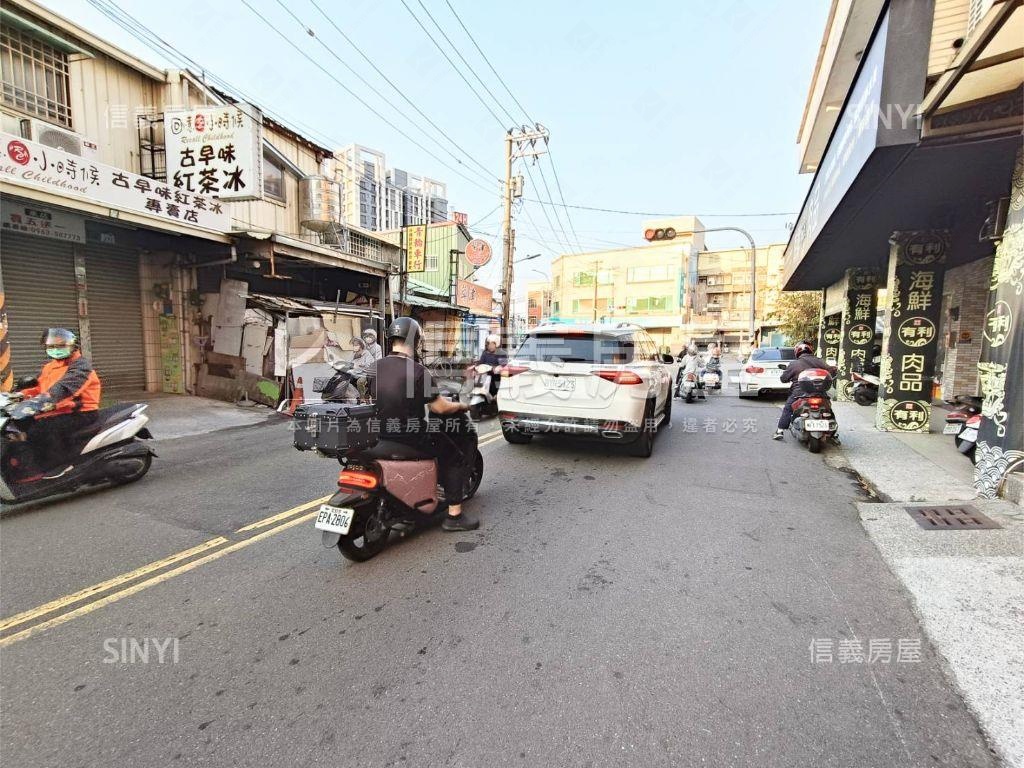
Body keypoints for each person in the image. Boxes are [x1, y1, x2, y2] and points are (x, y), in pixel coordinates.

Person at [372, 316, 479, 531]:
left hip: (378, 434)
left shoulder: (374, 367)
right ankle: (454, 516)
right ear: (416, 341)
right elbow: (439, 408)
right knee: (454, 456)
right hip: (411, 437)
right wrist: (462, 406)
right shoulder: (419, 371)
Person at [14, 328, 102, 473]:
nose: (55, 349)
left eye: (61, 346)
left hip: (80, 412)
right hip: (54, 408)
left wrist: (41, 402)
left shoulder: (81, 367)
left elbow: (64, 390)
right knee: (17, 423)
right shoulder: (49, 367)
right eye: (51, 346)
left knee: (42, 429)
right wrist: (19, 396)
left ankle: (57, 467)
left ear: (73, 346)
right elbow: (38, 387)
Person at [772, 340, 837, 440]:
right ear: (810, 350)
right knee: (829, 409)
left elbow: (783, 379)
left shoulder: (794, 364)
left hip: (799, 393)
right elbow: (831, 372)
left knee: (788, 409)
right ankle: (834, 434)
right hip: (820, 393)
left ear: (797, 352)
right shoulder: (820, 361)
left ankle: (780, 431)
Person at [478, 333, 506, 398]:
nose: (489, 346)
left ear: (496, 344)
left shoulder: (502, 353)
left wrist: (494, 368)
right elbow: (481, 364)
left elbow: (504, 368)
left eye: (492, 344)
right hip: (485, 379)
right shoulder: (485, 353)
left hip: (497, 380)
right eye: (488, 344)